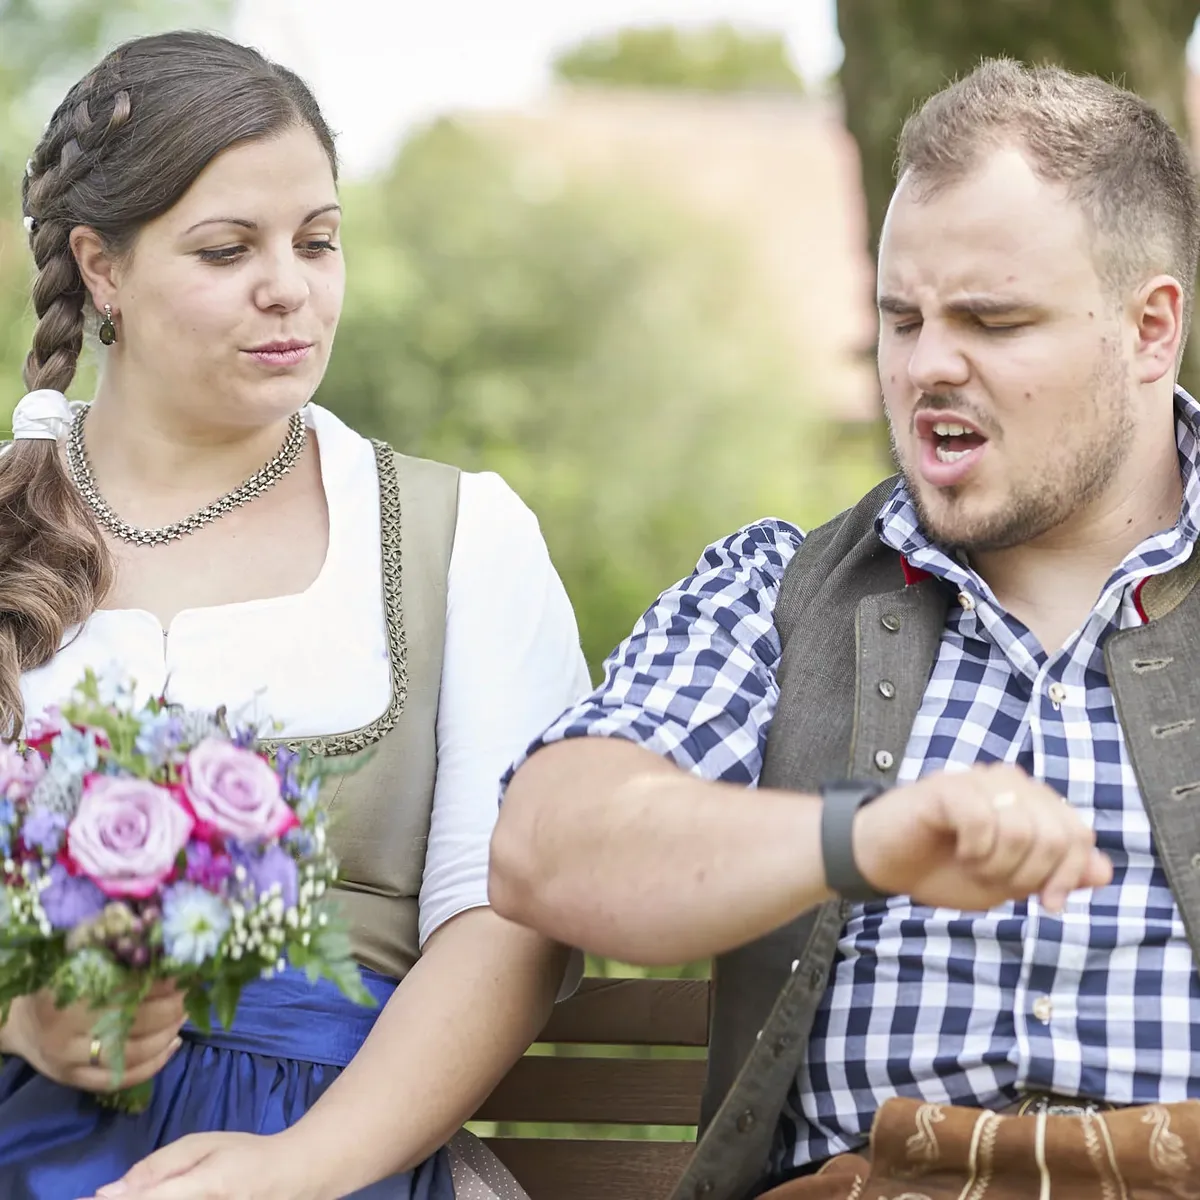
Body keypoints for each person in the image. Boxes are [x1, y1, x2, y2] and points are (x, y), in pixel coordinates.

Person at [490, 57, 1200, 1200]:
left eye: (992, 320)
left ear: (1150, 329)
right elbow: (545, 846)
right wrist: (862, 839)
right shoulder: (778, 591)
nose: (928, 368)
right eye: (902, 319)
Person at [1, 29, 590, 1200]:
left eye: (318, 242)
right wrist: (23, 1018)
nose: (291, 286)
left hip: (345, 1153)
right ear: (100, 267)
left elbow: (508, 924)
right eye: (228, 249)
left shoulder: (459, 536)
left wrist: (301, 1167)